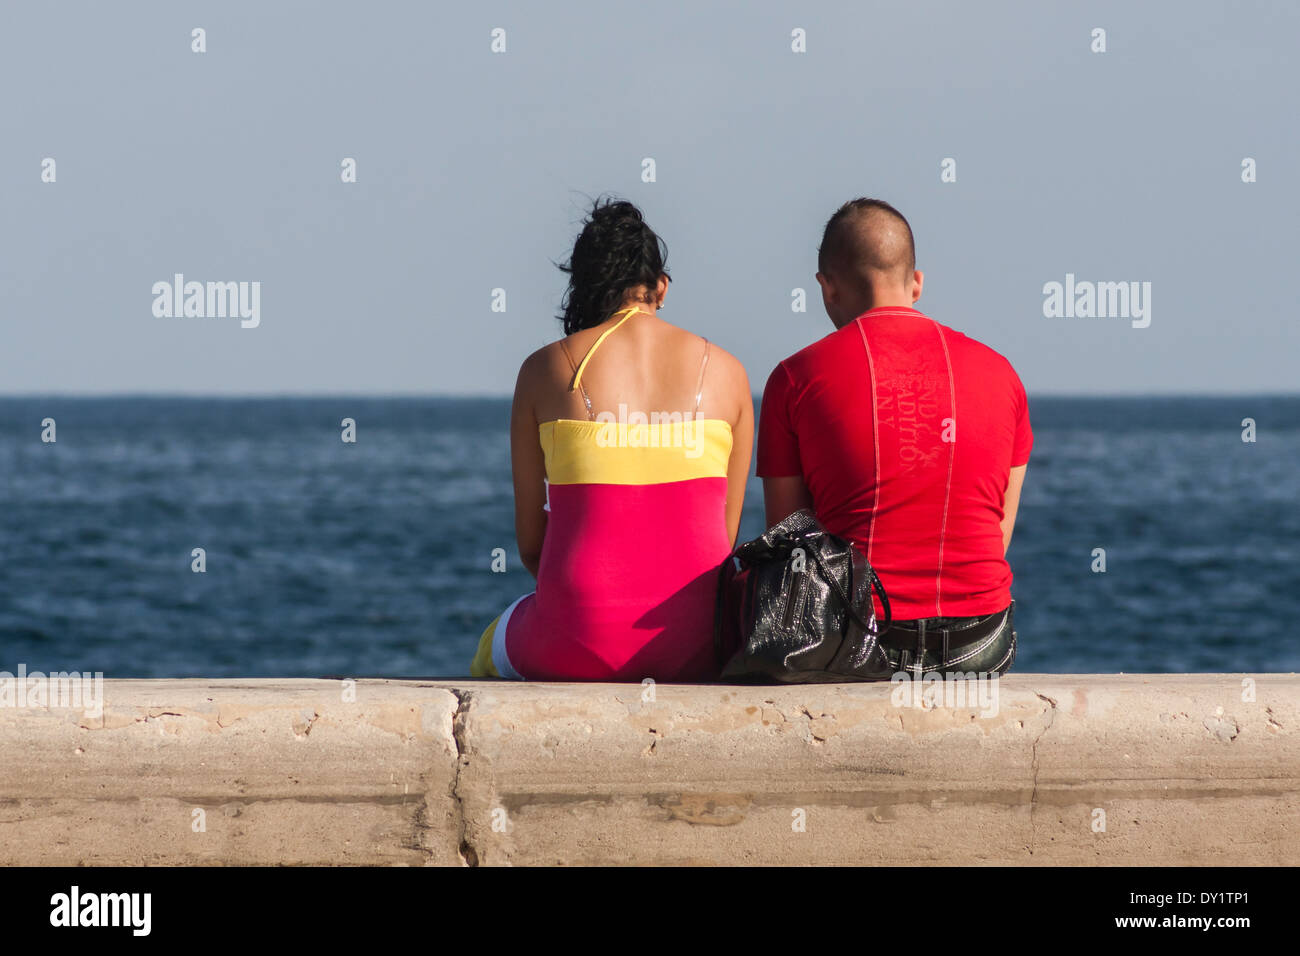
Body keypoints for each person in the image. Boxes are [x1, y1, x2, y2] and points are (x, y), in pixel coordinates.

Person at [471, 199, 753, 681]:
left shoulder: (544, 369)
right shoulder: (728, 373)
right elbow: (722, 542)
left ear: (585, 288)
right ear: (661, 287)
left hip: (577, 638)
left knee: (487, 648)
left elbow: (530, 546)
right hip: (699, 643)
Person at [758, 198, 1031, 676]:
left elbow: (791, 544)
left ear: (827, 287)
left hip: (857, 640)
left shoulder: (794, 378)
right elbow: (997, 531)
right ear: (917, 282)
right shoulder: (1001, 373)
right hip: (981, 638)